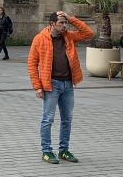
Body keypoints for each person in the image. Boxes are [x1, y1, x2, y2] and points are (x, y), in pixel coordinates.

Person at [27, 11, 93, 164]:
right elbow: (31, 64)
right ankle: (47, 151)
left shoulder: (68, 36)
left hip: (68, 84)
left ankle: (63, 150)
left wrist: (70, 18)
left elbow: (87, 33)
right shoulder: (39, 39)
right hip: (51, 85)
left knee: (67, 119)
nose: (64, 26)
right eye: (61, 23)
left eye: (65, 23)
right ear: (51, 24)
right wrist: (37, 86)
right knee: (48, 119)